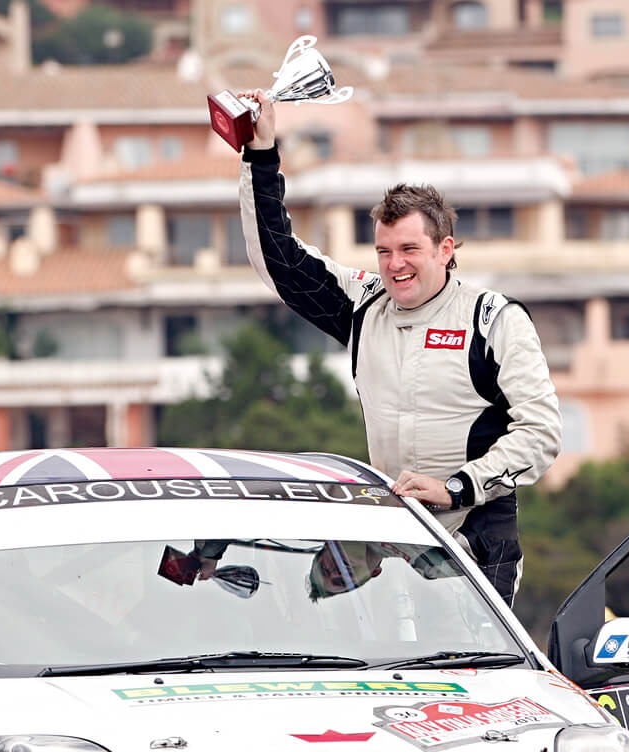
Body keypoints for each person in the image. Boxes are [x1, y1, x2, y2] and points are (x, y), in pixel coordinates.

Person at [236, 90, 562, 607]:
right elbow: (277, 260)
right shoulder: (365, 304)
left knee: (462, 681)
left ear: (446, 249)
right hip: (387, 534)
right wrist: (260, 154)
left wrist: (457, 487)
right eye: (384, 251)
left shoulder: (494, 319)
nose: (395, 265)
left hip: (473, 538)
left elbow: (542, 432)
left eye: (410, 249)